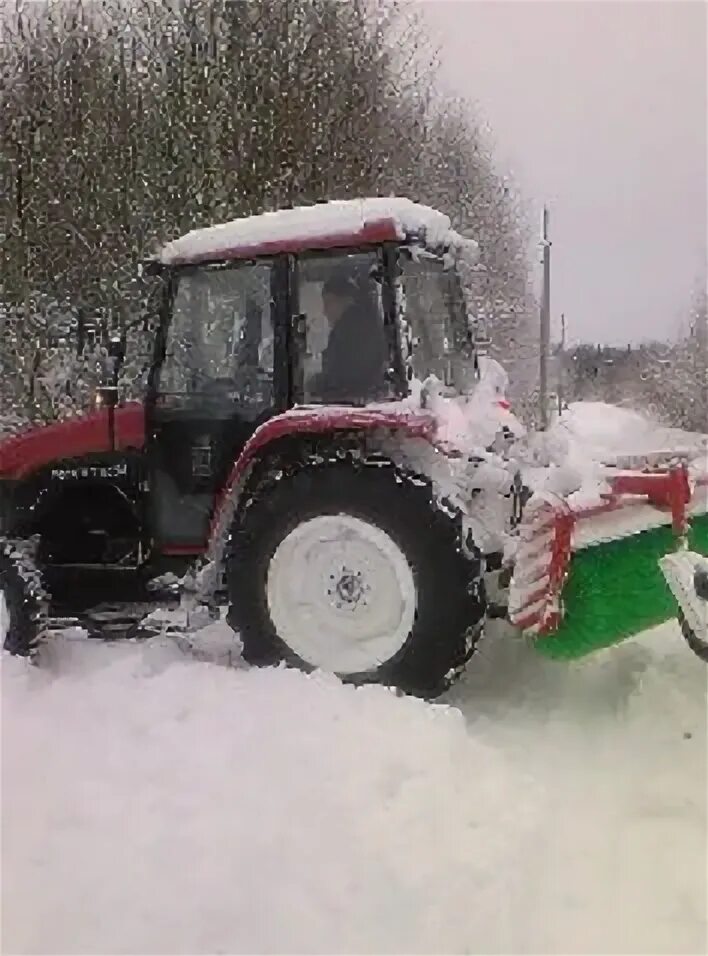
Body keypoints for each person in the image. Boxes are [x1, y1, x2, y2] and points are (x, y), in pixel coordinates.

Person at [315, 272, 388, 403]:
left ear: (346, 300)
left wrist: (318, 385)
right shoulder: (362, 325)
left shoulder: (351, 332)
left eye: (329, 302)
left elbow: (347, 377)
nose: (325, 311)